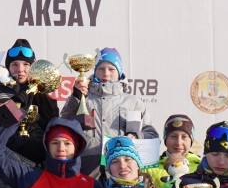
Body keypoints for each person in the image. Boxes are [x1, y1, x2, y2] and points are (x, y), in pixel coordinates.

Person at [60, 47, 158, 177]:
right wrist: (76, 96)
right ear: (94, 71)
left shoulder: (132, 102)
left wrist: (135, 136)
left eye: (112, 69)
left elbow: (151, 135)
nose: (106, 73)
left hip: (122, 170)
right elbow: (64, 124)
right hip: (87, 170)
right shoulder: (83, 98)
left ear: (119, 72)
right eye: (101, 69)